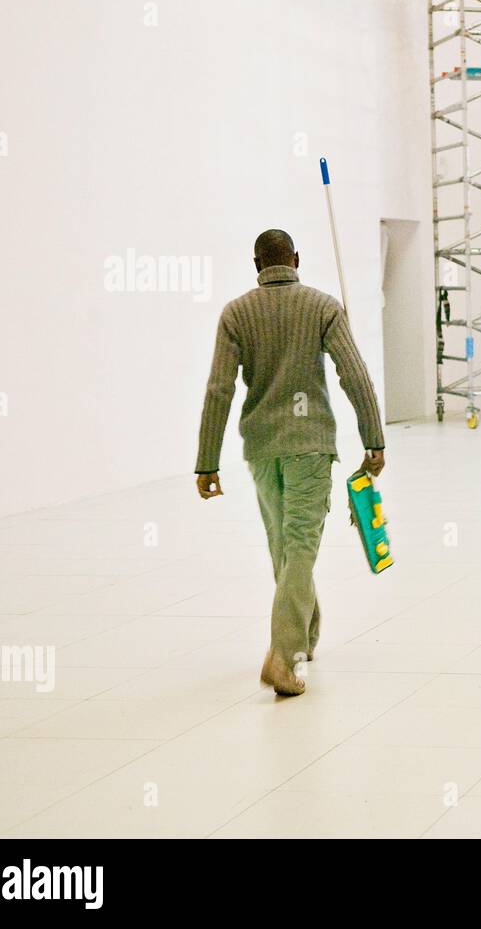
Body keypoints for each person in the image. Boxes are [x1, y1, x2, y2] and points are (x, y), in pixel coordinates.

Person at [194, 228, 384, 696]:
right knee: (300, 544)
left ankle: (306, 634)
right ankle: (282, 657)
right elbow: (353, 373)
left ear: (256, 265)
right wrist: (373, 438)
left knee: (283, 542)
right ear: (296, 259)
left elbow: (219, 388)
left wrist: (206, 461)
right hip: (311, 443)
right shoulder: (322, 307)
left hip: (261, 446)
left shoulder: (236, 313)